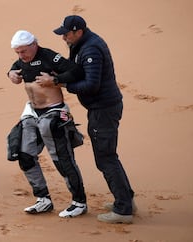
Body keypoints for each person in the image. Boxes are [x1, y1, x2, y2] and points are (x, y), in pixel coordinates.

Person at [50, 15, 136, 223]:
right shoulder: (82, 43)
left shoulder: (90, 49)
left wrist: (62, 85)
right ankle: (126, 200)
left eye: (67, 34)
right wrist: (59, 76)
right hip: (101, 108)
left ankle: (123, 210)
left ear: (78, 31)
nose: (64, 38)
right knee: (108, 157)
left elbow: (91, 85)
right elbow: (76, 70)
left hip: (103, 110)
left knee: (106, 158)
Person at [7, 30, 87, 218]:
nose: (21, 56)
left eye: (24, 51)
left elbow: (76, 71)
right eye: (17, 52)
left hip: (53, 112)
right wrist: (10, 74)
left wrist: (56, 80)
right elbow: (14, 68)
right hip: (32, 112)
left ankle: (79, 202)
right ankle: (43, 199)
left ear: (34, 44)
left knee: (62, 158)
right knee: (24, 154)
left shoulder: (49, 56)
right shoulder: (22, 60)